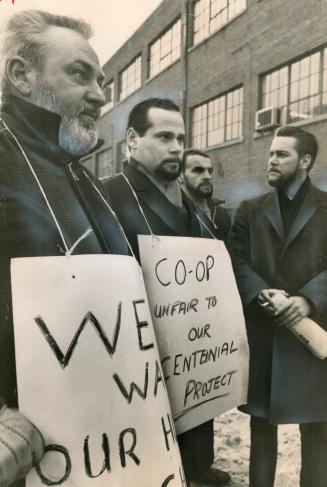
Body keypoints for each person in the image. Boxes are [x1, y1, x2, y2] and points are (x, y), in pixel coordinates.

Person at [0, 10, 130, 487]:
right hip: (25, 455)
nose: (100, 94)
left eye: (102, 80)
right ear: (22, 76)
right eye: (80, 74)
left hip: (100, 440)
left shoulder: (78, 172)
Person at [105, 98, 230, 487]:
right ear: (132, 139)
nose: (176, 146)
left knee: (194, 438)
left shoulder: (189, 202)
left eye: (180, 137)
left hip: (192, 351)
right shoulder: (107, 194)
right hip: (138, 352)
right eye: (163, 136)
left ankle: (197, 470)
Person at [228, 125, 327, 487]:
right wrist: (259, 291)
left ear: (305, 160)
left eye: (281, 154)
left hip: (312, 339)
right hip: (266, 336)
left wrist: (308, 299)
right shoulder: (250, 210)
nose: (271, 160)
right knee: (261, 429)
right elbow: (235, 259)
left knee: (318, 433)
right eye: (270, 153)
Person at [179, 148, 231, 242]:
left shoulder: (220, 212)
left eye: (210, 171)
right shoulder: (174, 212)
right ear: (180, 176)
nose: (207, 176)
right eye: (198, 170)